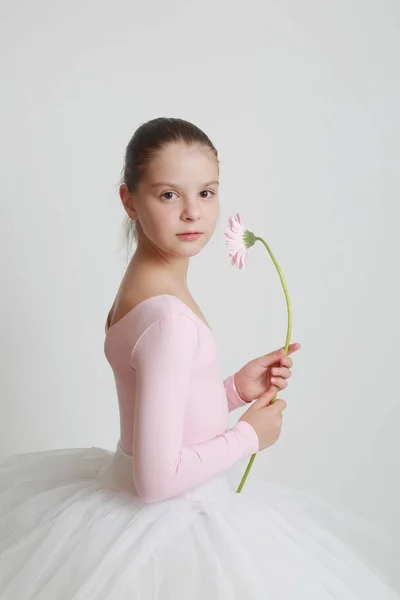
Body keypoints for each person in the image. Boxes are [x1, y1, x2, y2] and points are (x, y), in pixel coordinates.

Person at [0, 117, 398, 599]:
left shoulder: (141, 290)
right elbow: (156, 479)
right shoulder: (169, 317)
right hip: (171, 525)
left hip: (134, 504)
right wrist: (249, 434)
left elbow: (158, 402)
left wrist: (230, 390)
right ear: (128, 200)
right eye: (169, 195)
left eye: (206, 193)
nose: (193, 213)